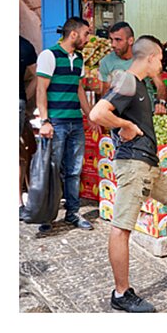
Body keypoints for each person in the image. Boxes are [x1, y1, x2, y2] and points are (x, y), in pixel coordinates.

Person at [89, 37, 167, 313]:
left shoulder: (138, 84)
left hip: (148, 164)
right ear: (151, 57)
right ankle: (121, 293)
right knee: (121, 228)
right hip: (134, 166)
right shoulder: (128, 82)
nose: (161, 64)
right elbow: (98, 113)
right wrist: (125, 125)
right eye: (160, 59)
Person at [35, 17, 94, 232]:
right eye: (86, 34)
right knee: (53, 170)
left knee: (74, 170)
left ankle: (73, 213)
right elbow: (41, 90)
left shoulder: (79, 58)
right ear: (74, 34)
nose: (88, 38)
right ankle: (48, 215)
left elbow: (79, 89)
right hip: (56, 123)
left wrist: (90, 115)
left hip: (75, 123)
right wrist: (45, 121)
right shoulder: (49, 55)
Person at [99, 22, 167, 114]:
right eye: (111, 40)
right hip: (123, 117)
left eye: (118, 40)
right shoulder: (106, 62)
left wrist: (161, 103)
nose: (113, 44)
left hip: (146, 113)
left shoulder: (142, 57)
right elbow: (105, 94)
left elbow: (160, 86)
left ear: (130, 40)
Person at [19, 35, 38, 138]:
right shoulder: (24, 45)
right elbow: (37, 76)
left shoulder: (24, 46)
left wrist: (24, 98)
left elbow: (37, 76)